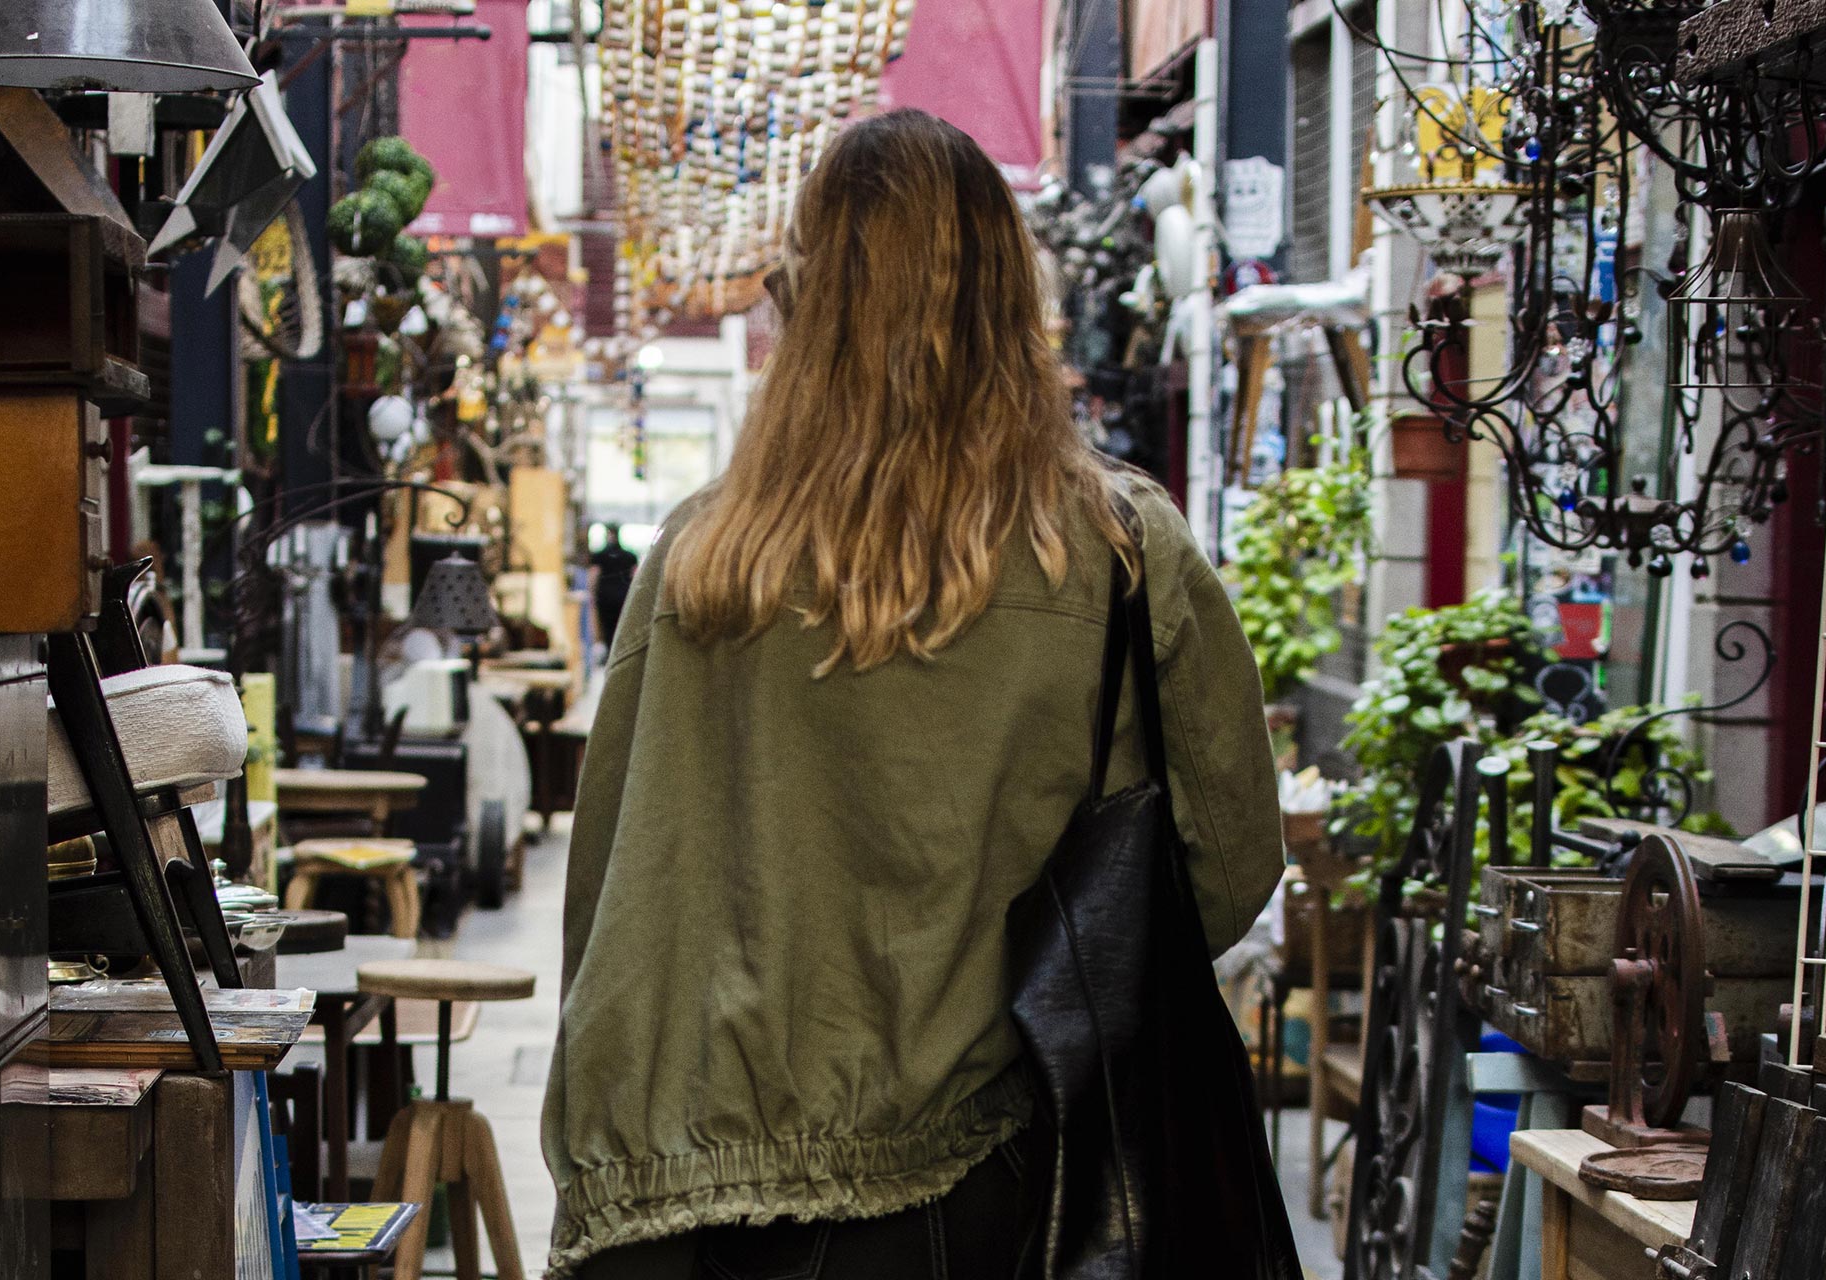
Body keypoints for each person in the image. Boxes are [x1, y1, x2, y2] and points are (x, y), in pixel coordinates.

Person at [543, 109, 1284, 1280]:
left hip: (721, 1205)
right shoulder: (1120, 553)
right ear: (1011, 299)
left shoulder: (701, 564)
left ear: (805, 299)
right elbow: (1228, 875)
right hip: (1020, 1192)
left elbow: (617, 912)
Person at [588, 522, 640, 648]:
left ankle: (608, 651)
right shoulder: (630, 556)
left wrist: (592, 594)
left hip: (605, 597)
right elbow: (635, 577)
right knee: (621, 626)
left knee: (607, 627)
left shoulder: (599, 556)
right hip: (623, 596)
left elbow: (594, 575)